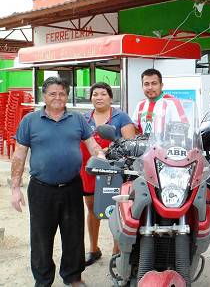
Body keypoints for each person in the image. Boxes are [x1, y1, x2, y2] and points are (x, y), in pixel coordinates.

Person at [10, 77, 106, 287]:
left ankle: (73, 276)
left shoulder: (77, 119)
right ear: (44, 95)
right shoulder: (30, 121)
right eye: (53, 93)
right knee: (41, 237)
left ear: (67, 96)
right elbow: (19, 155)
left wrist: (100, 156)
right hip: (41, 189)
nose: (58, 97)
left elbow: (92, 145)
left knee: (73, 235)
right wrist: (15, 188)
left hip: (72, 187)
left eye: (62, 93)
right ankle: (43, 280)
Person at [131, 68, 210, 261]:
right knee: (128, 193)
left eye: (154, 83)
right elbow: (134, 132)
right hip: (147, 163)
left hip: (172, 161)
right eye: (146, 84)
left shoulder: (173, 103)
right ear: (142, 86)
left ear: (161, 85)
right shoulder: (140, 106)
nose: (150, 87)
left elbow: (188, 130)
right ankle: (128, 245)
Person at [80, 82, 135, 267]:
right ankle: (93, 249)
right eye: (95, 94)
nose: (99, 97)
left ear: (110, 97)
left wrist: (109, 149)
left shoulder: (121, 117)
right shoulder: (85, 118)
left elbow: (130, 144)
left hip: (115, 172)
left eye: (103, 94)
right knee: (92, 209)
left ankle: (117, 251)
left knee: (117, 211)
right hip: (90, 170)